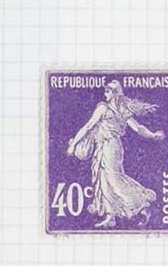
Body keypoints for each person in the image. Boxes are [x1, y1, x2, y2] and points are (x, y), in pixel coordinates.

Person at [65, 80, 161, 228]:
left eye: (108, 91)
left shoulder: (104, 108)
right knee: (104, 179)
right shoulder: (122, 110)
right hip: (109, 146)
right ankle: (110, 216)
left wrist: (73, 145)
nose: (105, 93)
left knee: (113, 179)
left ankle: (141, 205)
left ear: (115, 93)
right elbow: (138, 128)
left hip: (109, 147)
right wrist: (152, 135)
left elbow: (88, 126)